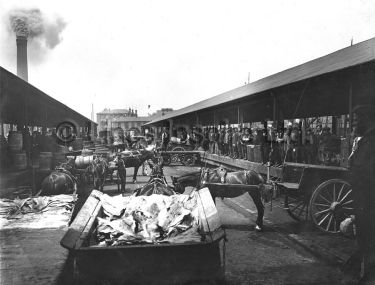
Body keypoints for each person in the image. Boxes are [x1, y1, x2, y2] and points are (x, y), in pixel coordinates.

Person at [344, 104, 375, 283]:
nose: (353, 125)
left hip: (369, 212)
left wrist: (357, 215)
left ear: (366, 118)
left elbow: (367, 180)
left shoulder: (370, 143)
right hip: (364, 211)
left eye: (355, 120)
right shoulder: (365, 141)